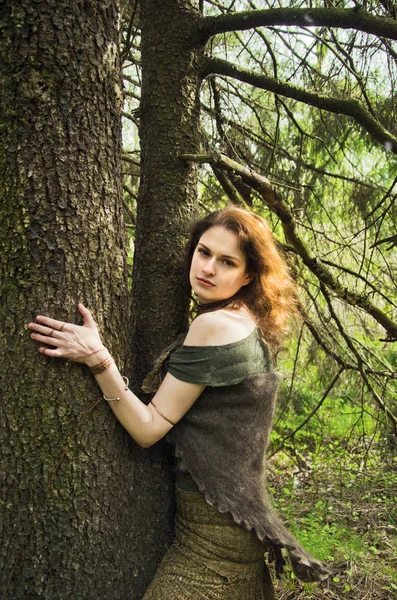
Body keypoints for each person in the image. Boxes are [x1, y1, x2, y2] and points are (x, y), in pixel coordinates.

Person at [28, 205, 329, 599]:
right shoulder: (245, 320)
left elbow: (148, 429)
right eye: (203, 253)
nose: (207, 268)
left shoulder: (214, 325)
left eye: (226, 262)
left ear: (248, 275)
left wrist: (99, 359)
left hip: (215, 542)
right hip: (234, 524)